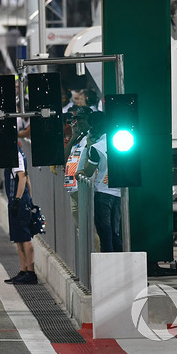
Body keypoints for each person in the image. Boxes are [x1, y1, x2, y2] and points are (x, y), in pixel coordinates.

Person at [76, 111, 122, 252]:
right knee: (117, 233)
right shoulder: (120, 142)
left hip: (103, 193)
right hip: (120, 193)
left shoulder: (96, 148)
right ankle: (120, 263)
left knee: (104, 233)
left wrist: (79, 172)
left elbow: (88, 171)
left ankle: (107, 266)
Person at [3, 146, 37, 284]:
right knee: (18, 237)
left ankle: (31, 273)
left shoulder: (16, 154)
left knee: (25, 237)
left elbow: (22, 177)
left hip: (19, 200)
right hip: (18, 200)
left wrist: (18, 200)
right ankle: (23, 270)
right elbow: (27, 178)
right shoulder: (13, 152)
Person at [62, 106, 93, 231]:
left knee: (90, 229)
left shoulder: (92, 138)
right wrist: (73, 137)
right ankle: (86, 252)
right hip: (73, 189)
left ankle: (96, 251)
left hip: (84, 189)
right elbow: (64, 158)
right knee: (80, 230)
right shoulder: (78, 139)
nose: (78, 123)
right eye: (76, 120)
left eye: (81, 120)